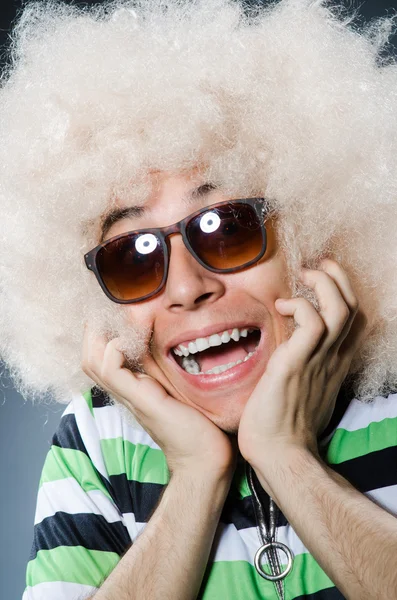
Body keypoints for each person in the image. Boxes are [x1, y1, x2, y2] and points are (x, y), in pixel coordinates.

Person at [1, 0, 397, 598]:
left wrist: (289, 459)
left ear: (314, 233)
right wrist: (194, 476)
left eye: (228, 227)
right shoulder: (96, 436)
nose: (188, 288)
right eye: (132, 258)